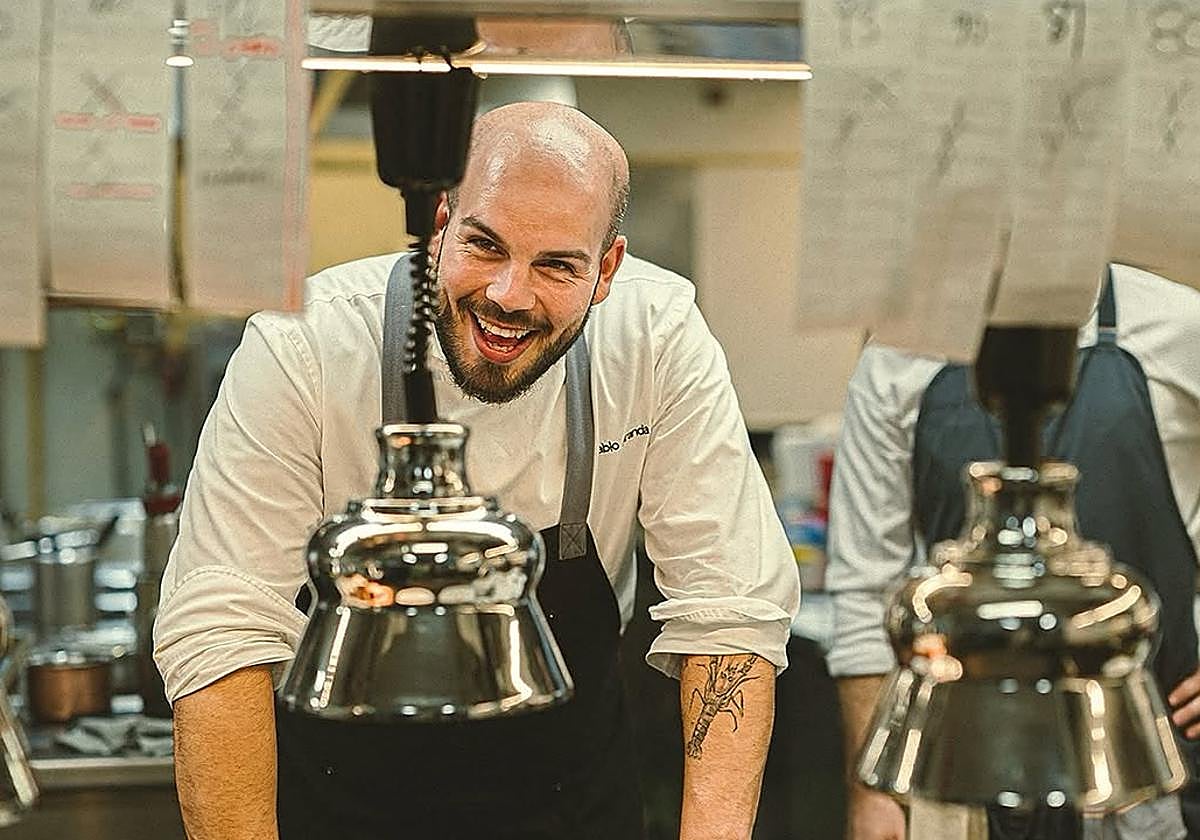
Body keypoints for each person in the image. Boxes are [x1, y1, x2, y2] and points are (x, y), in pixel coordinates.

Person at [153, 101, 800, 840]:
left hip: (571, 804)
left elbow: (730, 612)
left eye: (557, 265)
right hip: (339, 806)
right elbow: (221, 624)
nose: (508, 296)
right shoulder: (306, 348)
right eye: (484, 246)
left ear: (607, 269)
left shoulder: (657, 338)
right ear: (439, 222)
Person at [824, 263, 1200, 840]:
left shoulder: (1178, 327)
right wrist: (873, 796)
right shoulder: (897, 358)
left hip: (1146, 760)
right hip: (961, 774)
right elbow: (864, 591)